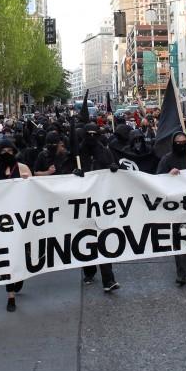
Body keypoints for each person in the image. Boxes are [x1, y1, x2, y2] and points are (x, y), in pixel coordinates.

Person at [0, 139, 32, 312]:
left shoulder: (23, 169)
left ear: (14, 152)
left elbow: (33, 193)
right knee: (7, 257)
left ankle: (19, 278)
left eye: (9, 150)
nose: (6, 153)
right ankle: (10, 295)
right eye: (2, 150)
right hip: (2, 221)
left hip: (21, 219)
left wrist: (27, 182)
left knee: (22, 254)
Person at [76, 123, 121, 292]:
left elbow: (115, 169)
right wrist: (75, 174)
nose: (92, 137)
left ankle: (108, 280)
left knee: (103, 240)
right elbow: (65, 175)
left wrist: (114, 169)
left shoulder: (105, 151)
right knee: (87, 239)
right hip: (83, 203)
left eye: (95, 133)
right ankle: (88, 271)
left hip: (102, 203)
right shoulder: (78, 153)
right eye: (89, 134)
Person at [157, 132, 186, 285]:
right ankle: (180, 272)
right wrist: (169, 175)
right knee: (178, 238)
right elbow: (158, 180)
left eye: (184, 142)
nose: (181, 144)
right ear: (173, 143)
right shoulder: (167, 159)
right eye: (178, 142)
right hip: (175, 206)